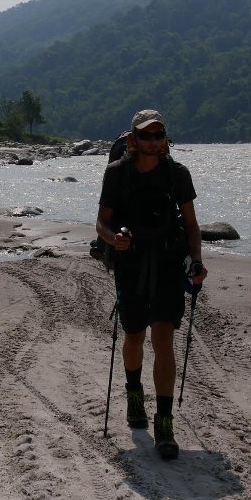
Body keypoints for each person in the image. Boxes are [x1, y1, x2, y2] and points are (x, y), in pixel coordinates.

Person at [95, 109, 208, 459]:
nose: (153, 141)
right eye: (146, 135)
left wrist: (198, 261)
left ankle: (165, 422)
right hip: (130, 265)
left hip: (169, 264)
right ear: (133, 140)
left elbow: (190, 224)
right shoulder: (117, 174)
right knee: (133, 336)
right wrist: (115, 240)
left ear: (165, 140)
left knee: (163, 338)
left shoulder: (177, 174)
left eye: (159, 135)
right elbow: (101, 224)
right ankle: (133, 394)